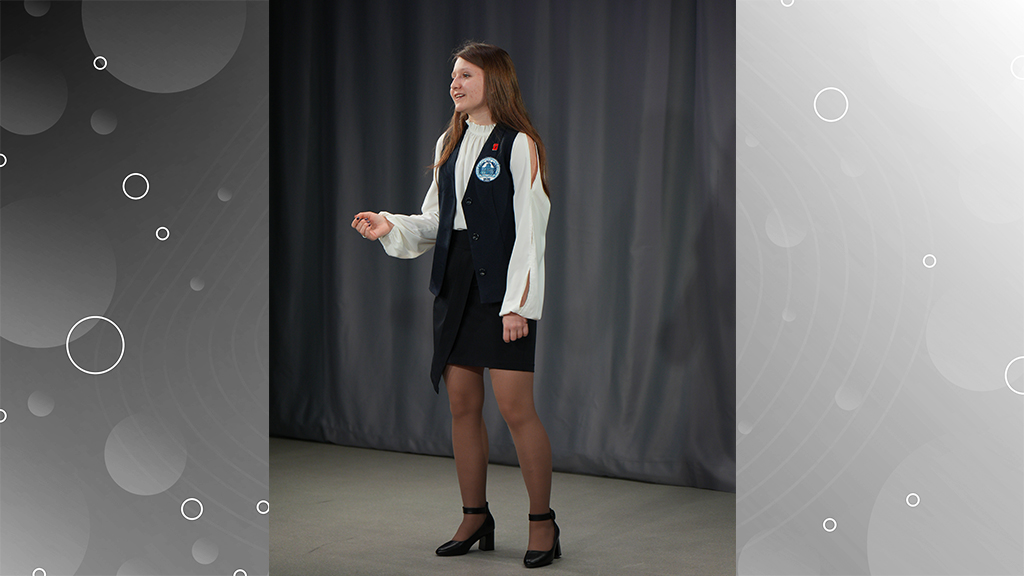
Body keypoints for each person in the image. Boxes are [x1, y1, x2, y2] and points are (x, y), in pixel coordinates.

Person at [351, 41, 559, 568]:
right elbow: (437, 220)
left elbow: (531, 230)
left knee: (516, 409)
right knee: (462, 405)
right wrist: (389, 225)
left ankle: (542, 523)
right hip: (455, 282)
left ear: (495, 80)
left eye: (466, 75)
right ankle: (475, 516)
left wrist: (517, 304)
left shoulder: (519, 144)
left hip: (501, 287)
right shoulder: (450, 139)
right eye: (453, 76)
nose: (455, 84)